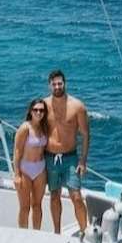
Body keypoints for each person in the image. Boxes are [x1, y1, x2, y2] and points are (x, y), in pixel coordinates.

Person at [44, 69, 90, 233]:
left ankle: (85, 232)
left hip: (70, 158)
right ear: (49, 85)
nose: (57, 87)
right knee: (54, 196)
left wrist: (83, 161)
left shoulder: (77, 106)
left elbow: (85, 134)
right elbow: (34, 129)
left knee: (76, 196)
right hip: (49, 158)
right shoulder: (43, 106)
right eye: (54, 84)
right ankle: (57, 232)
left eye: (60, 83)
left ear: (65, 84)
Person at [12, 98, 49, 229]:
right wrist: (17, 175)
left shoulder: (44, 127)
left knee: (37, 205)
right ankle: (23, 235)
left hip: (40, 169)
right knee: (24, 207)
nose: (39, 112)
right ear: (31, 111)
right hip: (25, 169)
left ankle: (36, 234)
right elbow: (16, 152)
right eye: (36, 110)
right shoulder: (25, 128)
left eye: (42, 110)